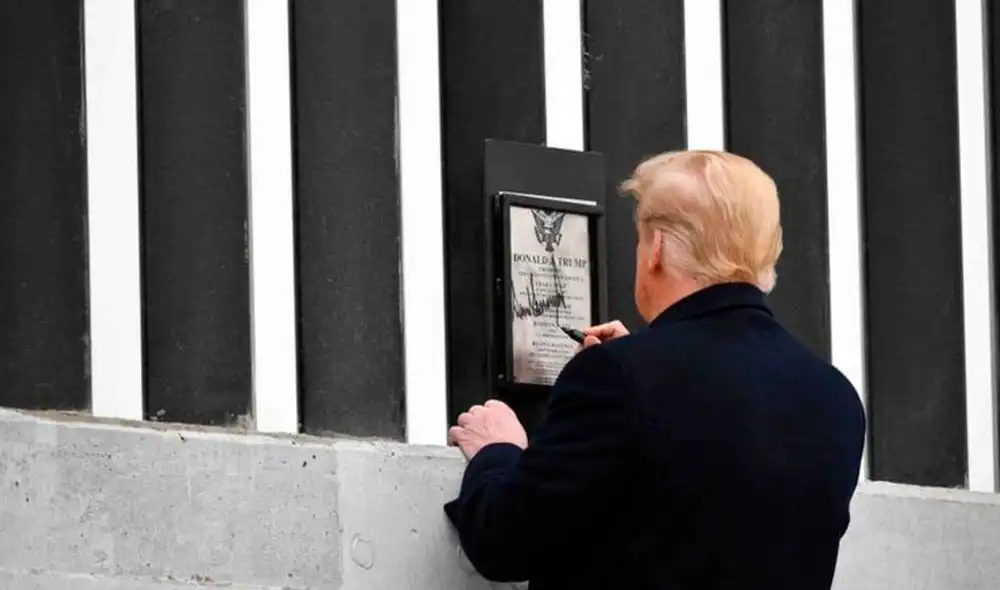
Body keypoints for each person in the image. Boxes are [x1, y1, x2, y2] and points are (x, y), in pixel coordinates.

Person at [444, 150, 867, 589]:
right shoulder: (835, 397)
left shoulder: (619, 377)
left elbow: (504, 542)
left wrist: (498, 450)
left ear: (657, 250)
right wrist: (640, 378)